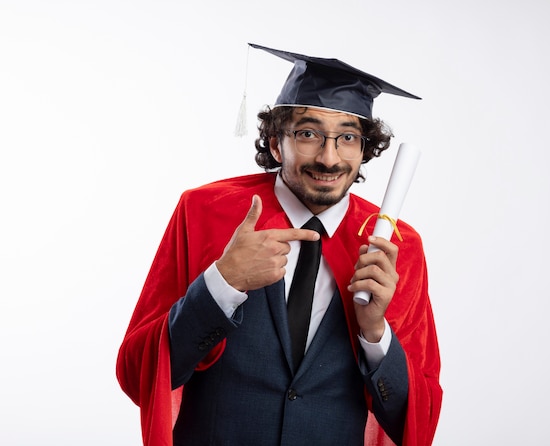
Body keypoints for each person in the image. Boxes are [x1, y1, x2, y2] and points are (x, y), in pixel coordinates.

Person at [116, 43, 442, 446]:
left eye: (347, 138)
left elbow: (417, 420)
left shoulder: (396, 246)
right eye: (308, 133)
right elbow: (138, 376)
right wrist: (221, 284)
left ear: (364, 149)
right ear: (274, 141)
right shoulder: (205, 211)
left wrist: (375, 333)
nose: (329, 157)